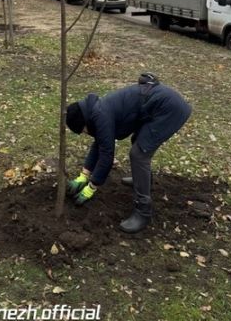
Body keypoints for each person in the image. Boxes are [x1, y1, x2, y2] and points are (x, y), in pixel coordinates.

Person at [65, 73, 192, 233]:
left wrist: (92, 186)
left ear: (83, 122)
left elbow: (106, 155)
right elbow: (99, 144)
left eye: (82, 130)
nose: (85, 133)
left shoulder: (101, 116)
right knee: (138, 143)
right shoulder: (95, 110)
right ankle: (142, 180)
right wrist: (83, 175)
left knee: (139, 154)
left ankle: (143, 212)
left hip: (169, 110)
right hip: (158, 107)